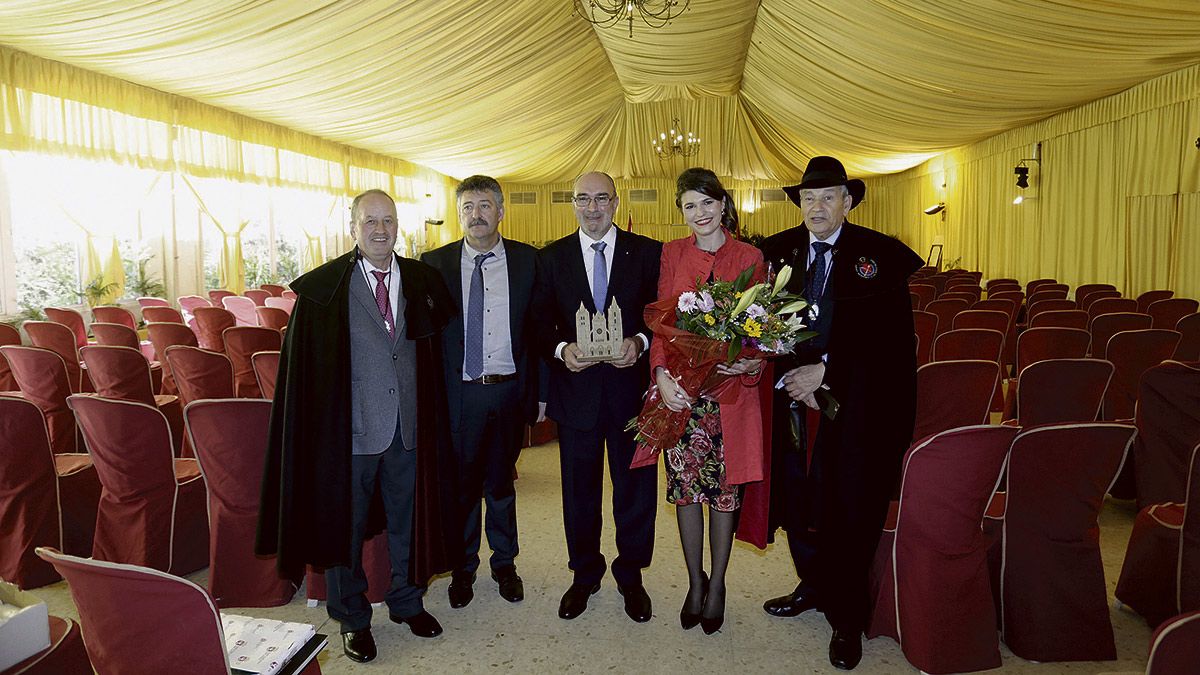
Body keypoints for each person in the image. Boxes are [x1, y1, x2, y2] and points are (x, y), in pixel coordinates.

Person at [257, 189, 460, 664]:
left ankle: (407, 602)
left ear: (397, 226)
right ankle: (352, 618)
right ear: (352, 228)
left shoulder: (421, 279)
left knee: (409, 523)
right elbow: (305, 373)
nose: (380, 229)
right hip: (351, 434)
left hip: (407, 430)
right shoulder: (324, 289)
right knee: (343, 530)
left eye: (388, 220)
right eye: (369, 221)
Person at [758, 156, 923, 670]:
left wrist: (825, 373)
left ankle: (847, 617)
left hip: (856, 409)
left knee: (850, 508)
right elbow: (758, 323)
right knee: (798, 503)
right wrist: (791, 374)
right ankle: (812, 586)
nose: (816, 206)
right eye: (808, 197)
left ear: (848, 202)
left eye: (828, 196)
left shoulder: (880, 256)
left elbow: (893, 347)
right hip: (790, 404)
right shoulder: (777, 252)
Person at [533, 171, 662, 623]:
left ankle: (632, 575)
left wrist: (641, 344)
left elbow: (658, 314)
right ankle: (584, 574)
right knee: (579, 494)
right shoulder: (550, 258)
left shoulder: (647, 252)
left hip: (632, 397)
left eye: (601, 199)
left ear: (615, 201)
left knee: (635, 491)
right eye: (583, 199)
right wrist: (561, 350)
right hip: (577, 396)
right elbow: (538, 324)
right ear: (572, 203)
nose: (592, 208)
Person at [649, 167, 766, 634]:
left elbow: (760, 327)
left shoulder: (750, 255)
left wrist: (752, 361)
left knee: (724, 494)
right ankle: (693, 583)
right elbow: (661, 321)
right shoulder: (672, 252)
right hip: (683, 396)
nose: (699, 214)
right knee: (685, 493)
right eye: (688, 206)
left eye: (706, 203)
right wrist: (660, 374)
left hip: (731, 398)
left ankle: (717, 584)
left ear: (723, 204)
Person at [420, 175, 541, 609]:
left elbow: (539, 332)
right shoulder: (432, 264)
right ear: (458, 215)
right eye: (468, 207)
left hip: (508, 391)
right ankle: (463, 567)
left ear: (501, 211)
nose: (477, 214)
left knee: (501, 483)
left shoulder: (529, 261)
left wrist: (539, 394)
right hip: (459, 394)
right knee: (462, 485)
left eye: (485, 205)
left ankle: (505, 564)